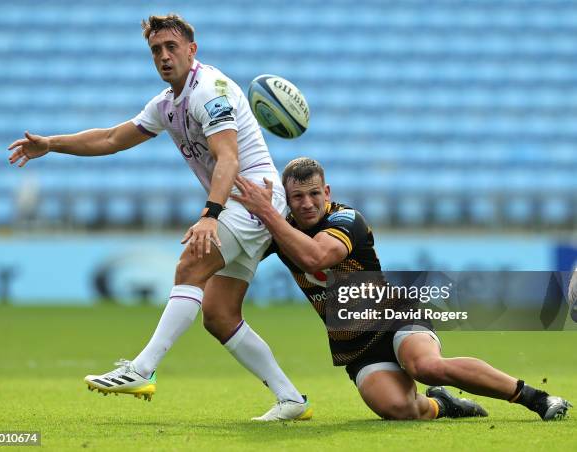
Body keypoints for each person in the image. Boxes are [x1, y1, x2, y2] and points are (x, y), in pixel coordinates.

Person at [7, 13, 311, 422]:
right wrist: (51, 143)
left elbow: (229, 157)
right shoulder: (167, 104)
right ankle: (291, 399)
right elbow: (112, 138)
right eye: (156, 50)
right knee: (219, 316)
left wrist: (210, 215)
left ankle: (141, 369)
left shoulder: (210, 90)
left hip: (254, 200)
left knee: (190, 263)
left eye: (172, 47)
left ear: (192, 49)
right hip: (242, 204)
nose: (164, 56)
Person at [231, 157, 572, 421]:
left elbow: (316, 258)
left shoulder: (346, 219)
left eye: (314, 194)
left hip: (394, 315)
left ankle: (536, 399)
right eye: (297, 196)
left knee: (425, 366)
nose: (307, 203)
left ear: (328, 193)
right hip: (353, 343)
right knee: (399, 409)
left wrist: (267, 216)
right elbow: (235, 252)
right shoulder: (281, 228)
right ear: (287, 200)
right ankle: (445, 404)